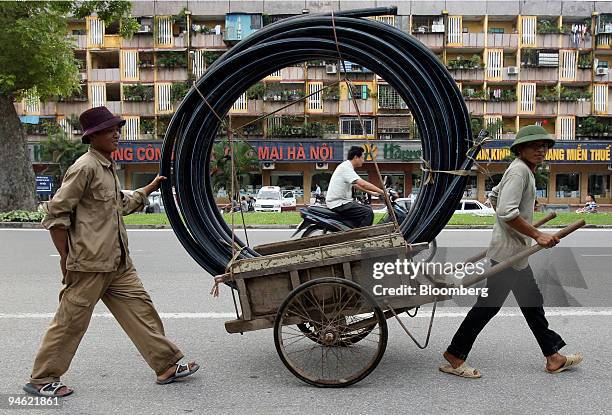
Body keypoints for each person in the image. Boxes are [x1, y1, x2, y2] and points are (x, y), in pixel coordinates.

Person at [24, 106, 199, 398]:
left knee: (142, 310)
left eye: (117, 128)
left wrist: (149, 189)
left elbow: (121, 205)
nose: (116, 133)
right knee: (71, 322)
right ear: (93, 137)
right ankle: (42, 379)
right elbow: (56, 215)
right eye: (109, 130)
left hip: (118, 264)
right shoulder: (85, 167)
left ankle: (166, 364)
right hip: (90, 264)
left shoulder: (107, 167)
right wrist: (65, 259)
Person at [440, 125, 583, 378]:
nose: (541, 150)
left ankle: (553, 357)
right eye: (534, 146)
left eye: (544, 146)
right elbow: (506, 212)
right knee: (489, 306)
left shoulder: (521, 170)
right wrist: (536, 234)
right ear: (520, 149)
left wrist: (517, 228)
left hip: (514, 251)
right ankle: (455, 354)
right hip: (509, 253)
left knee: (532, 305)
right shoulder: (519, 172)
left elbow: (495, 198)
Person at [326, 146, 384, 227]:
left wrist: (371, 193)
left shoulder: (347, 166)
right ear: (356, 157)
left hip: (342, 202)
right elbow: (362, 183)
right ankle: (361, 237)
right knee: (368, 213)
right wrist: (382, 191)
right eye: (362, 158)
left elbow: (355, 185)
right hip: (338, 203)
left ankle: (355, 230)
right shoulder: (346, 168)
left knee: (367, 208)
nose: (363, 161)